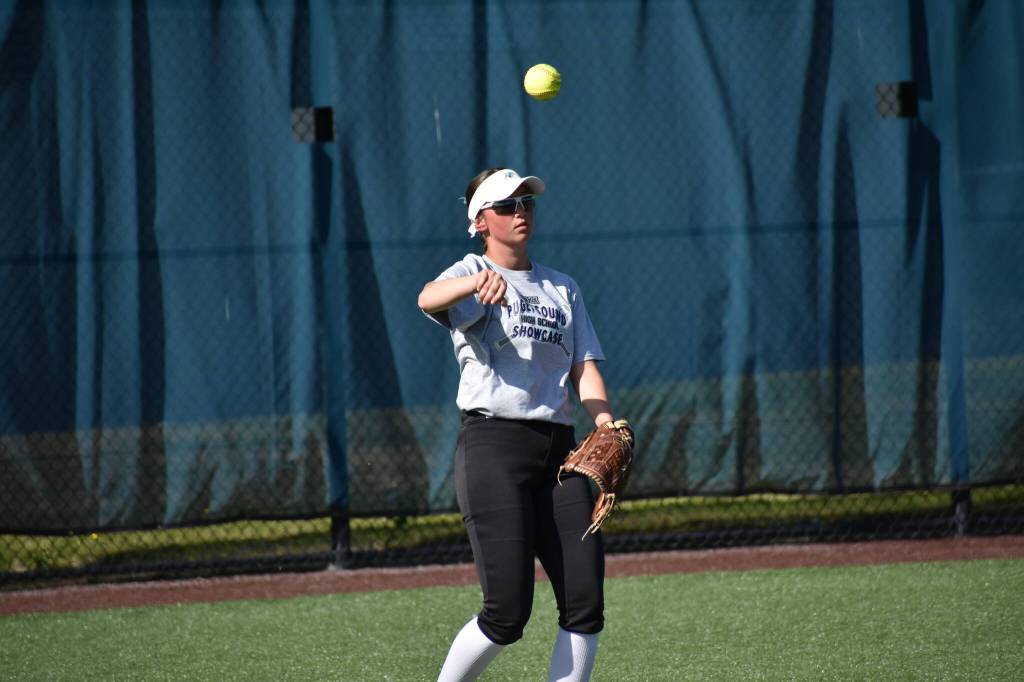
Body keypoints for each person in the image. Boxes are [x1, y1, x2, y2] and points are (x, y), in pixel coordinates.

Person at [418, 168, 624, 682]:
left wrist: (603, 421)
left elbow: (585, 368)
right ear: (480, 220)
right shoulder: (470, 273)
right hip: (494, 448)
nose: (521, 212)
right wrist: (474, 281)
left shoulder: (562, 287)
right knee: (507, 613)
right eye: (507, 206)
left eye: (526, 202)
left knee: (584, 600)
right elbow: (426, 297)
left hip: (562, 455)